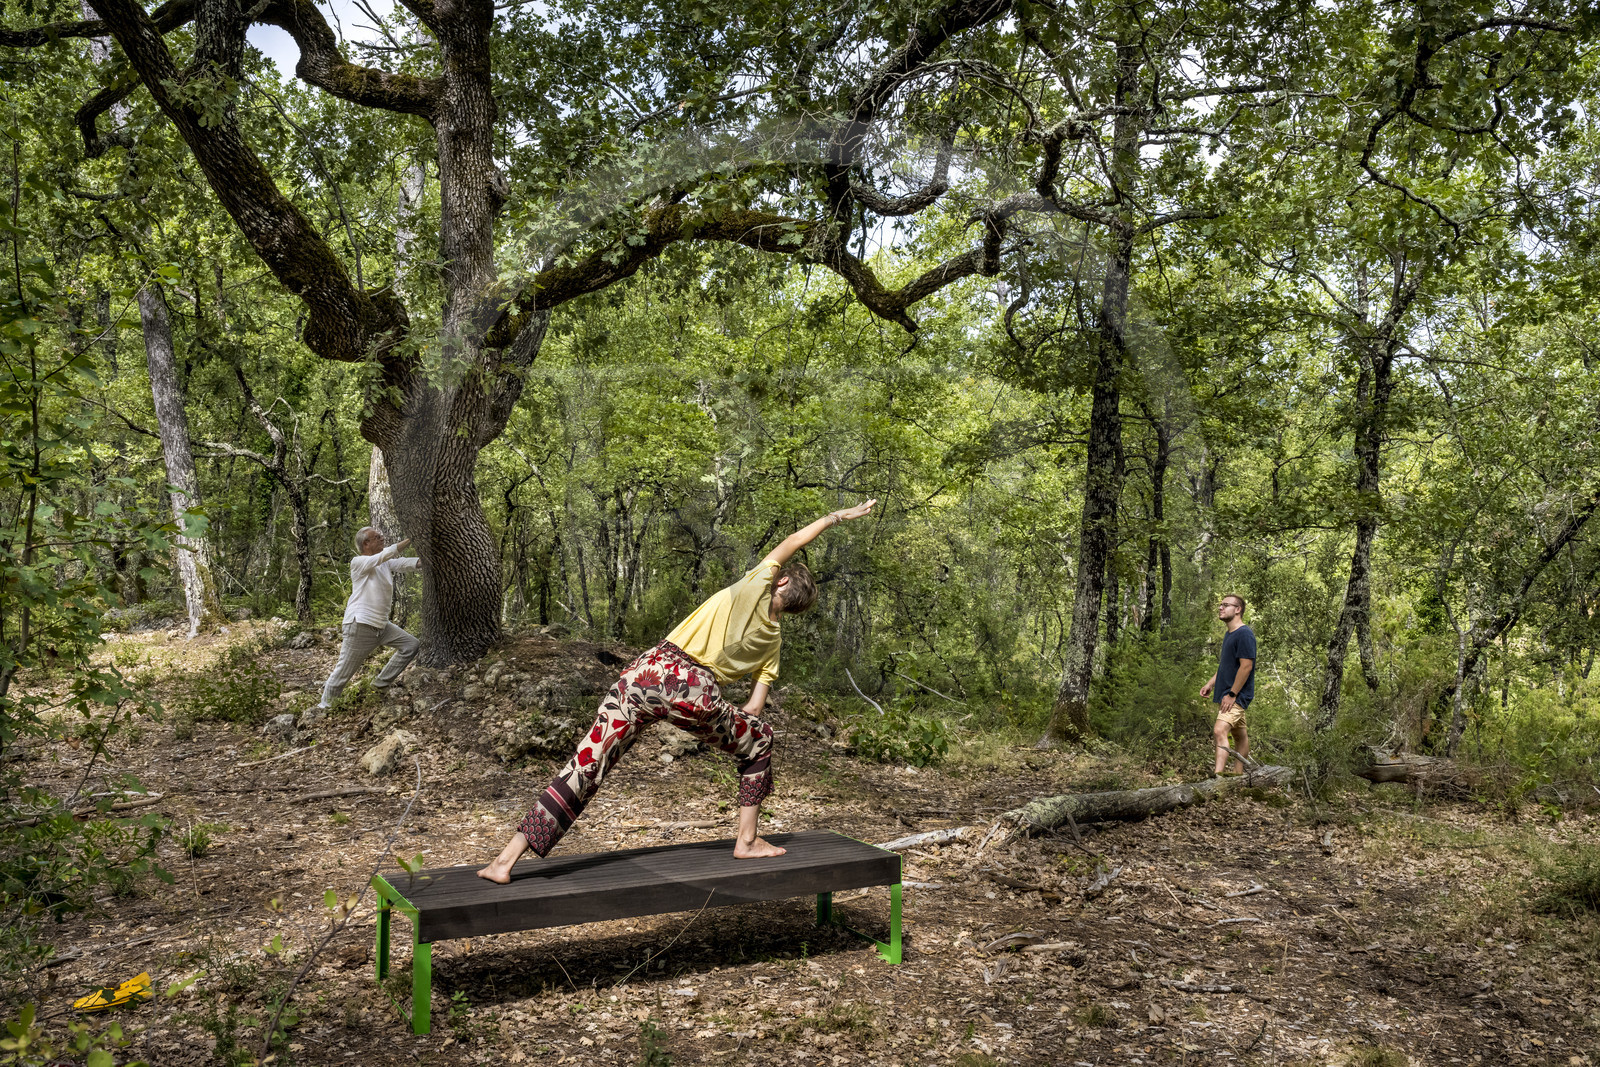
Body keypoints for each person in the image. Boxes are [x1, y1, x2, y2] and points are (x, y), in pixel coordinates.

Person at [478, 500, 877, 883]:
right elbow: (755, 706)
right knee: (760, 742)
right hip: (691, 688)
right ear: (795, 607)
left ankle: (504, 860)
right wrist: (731, 720)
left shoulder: (756, 583)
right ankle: (748, 841)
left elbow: (793, 541)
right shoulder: (773, 642)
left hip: (642, 673)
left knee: (585, 764)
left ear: (782, 579)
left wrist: (836, 516)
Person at [316, 527, 421, 711]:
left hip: (381, 625)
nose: (382, 539)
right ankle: (324, 708)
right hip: (360, 625)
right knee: (343, 673)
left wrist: (427, 561)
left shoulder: (385, 563)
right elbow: (385, 555)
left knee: (411, 645)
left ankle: (378, 687)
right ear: (366, 543)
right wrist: (411, 537)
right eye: (377, 537)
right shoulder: (359, 562)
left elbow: (404, 563)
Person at [1200, 593, 1255, 776]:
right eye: (1220, 604)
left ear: (1238, 609)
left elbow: (1246, 667)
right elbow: (1226, 666)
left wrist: (1232, 694)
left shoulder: (1245, 634)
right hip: (1228, 693)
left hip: (1235, 696)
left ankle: (1218, 779)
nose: (1220, 607)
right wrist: (1210, 683)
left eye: (1226, 605)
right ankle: (1238, 776)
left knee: (1219, 730)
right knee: (1240, 736)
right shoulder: (1230, 634)